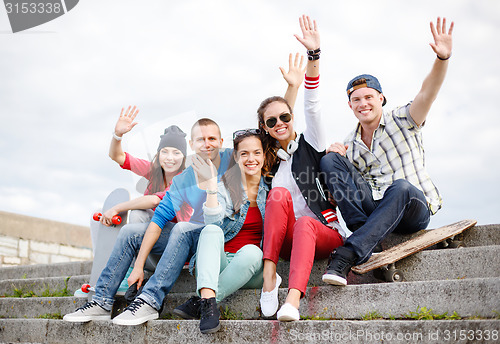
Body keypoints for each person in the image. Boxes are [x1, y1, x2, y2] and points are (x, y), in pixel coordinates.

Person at [320, 17, 453, 286]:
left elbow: (428, 93)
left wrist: (442, 59)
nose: (363, 104)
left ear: (380, 98)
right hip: (377, 210)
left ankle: (348, 253)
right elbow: (347, 191)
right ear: (350, 106)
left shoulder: (404, 119)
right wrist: (335, 162)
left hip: (414, 208)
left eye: (369, 97)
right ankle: (365, 234)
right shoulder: (351, 143)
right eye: (356, 100)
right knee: (330, 159)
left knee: (401, 187)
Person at [63, 118, 232, 323]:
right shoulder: (183, 178)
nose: (207, 144)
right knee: (130, 231)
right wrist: (139, 265)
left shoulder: (232, 164)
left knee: (182, 228)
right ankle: (101, 301)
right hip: (182, 241)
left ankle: (150, 300)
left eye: (212, 139)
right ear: (192, 144)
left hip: (217, 243)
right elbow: (159, 219)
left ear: (221, 141)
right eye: (200, 140)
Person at [258, 15, 348, 322]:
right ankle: (270, 279)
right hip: (284, 241)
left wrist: (313, 57)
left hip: (322, 231)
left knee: (306, 224)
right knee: (279, 194)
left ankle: (293, 301)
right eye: (272, 122)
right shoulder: (267, 160)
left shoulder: (311, 143)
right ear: (265, 128)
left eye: (285, 117)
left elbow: (311, 106)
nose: (280, 124)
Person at [173, 129, 270, 334]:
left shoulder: (272, 189)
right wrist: (211, 188)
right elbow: (213, 223)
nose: (250, 158)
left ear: (264, 155)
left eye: (256, 153)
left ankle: (203, 301)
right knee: (210, 231)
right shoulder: (225, 186)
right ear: (236, 157)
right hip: (216, 264)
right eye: (244, 153)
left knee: (253, 252)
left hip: (251, 269)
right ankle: (209, 304)